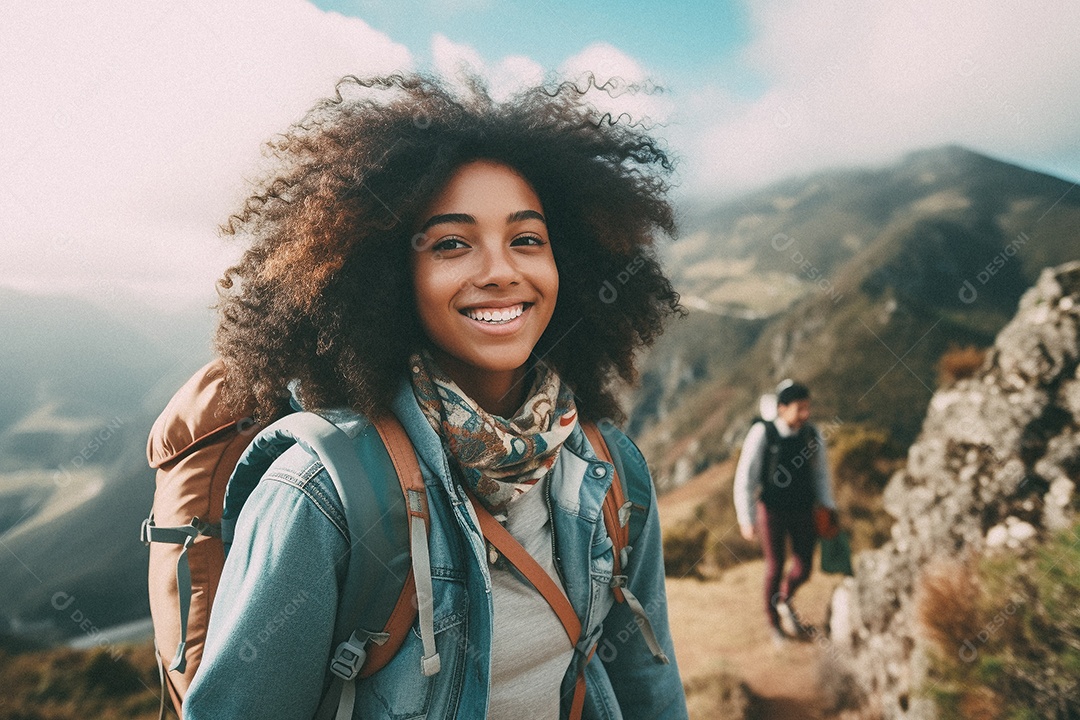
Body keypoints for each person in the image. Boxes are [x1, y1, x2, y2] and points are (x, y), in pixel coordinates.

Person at [184, 73, 688, 719]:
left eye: (527, 239)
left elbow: (648, 688)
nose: (501, 271)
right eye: (452, 244)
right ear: (394, 274)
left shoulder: (609, 469)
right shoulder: (322, 495)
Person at [732, 380, 836, 645]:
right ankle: (774, 625)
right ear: (782, 408)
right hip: (772, 510)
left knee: (804, 566)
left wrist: (828, 507)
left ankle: (784, 600)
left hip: (804, 509)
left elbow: (821, 474)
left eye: (807, 407)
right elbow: (746, 477)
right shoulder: (762, 433)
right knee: (775, 566)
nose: (805, 414)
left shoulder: (812, 434)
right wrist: (746, 519)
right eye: (800, 408)